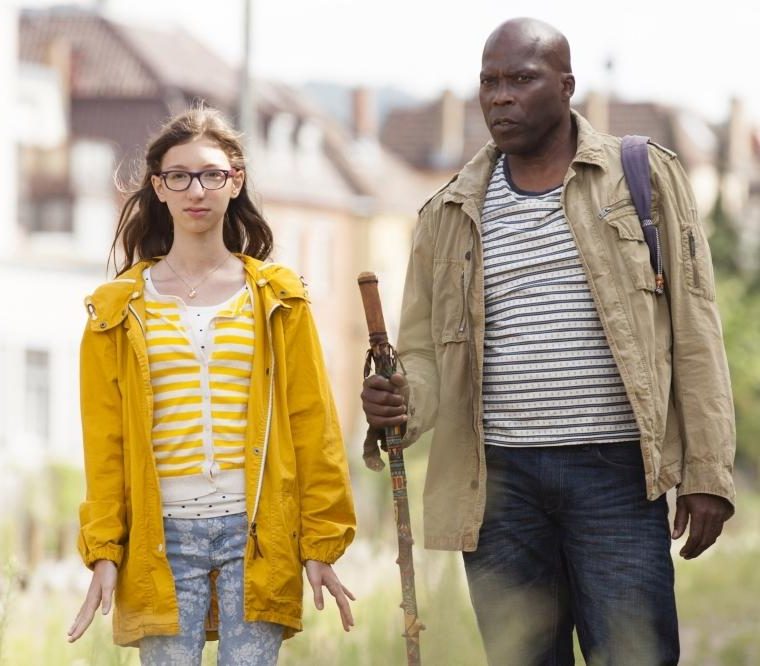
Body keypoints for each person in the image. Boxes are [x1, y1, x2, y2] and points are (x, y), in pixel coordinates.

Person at [361, 17, 735, 666]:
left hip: (617, 476)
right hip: (500, 488)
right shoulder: (446, 212)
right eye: (489, 82)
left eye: (521, 79)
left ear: (566, 86)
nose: (500, 96)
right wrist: (398, 399)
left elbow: (695, 326)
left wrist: (708, 471)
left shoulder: (641, 175)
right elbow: (423, 355)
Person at [67, 106, 356, 665]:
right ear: (159, 187)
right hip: (161, 538)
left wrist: (321, 543)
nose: (196, 190)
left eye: (211, 175)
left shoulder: (278, 298)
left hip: (257, 533)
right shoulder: (116, 310)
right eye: (179, 176)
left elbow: (313, 425)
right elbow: (105, 444)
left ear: (235, 181)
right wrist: (104, 549)